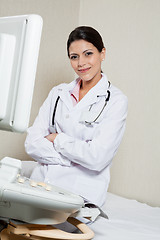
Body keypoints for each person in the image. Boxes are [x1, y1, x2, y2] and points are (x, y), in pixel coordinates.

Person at [25, 26, 128, 239]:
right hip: (40, 186)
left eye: (88, 53)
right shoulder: (58, 93)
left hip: (80, 195)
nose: (81, 63)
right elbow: (31, 143)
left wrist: (57, 139)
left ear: (103, 53)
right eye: (74, 56)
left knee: (43, 233)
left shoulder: (116, 101)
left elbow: (97, 158)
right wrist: (74, 158)